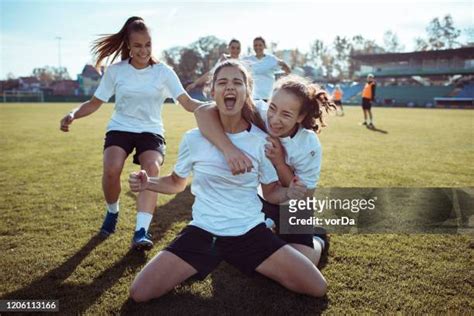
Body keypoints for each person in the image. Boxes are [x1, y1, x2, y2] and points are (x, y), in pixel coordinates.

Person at [128, 60, 327, 302]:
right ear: (213, 92)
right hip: (203, 232)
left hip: (254, 230)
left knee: (316, 286)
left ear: (247, 92)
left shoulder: (269, 141)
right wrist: (148, 182)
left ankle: (314, 238)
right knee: (140, 293)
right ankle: (251, 239)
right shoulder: (195, 138)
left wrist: (289, 192)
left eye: (237, 82)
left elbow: (278, 192)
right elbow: (176, 182)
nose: (229, 87)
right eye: (222, 82)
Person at [59, 16, 204, 251]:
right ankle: (112, 211)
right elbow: (95, 103)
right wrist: (73, 114)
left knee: (152, 170)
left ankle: (141, 231)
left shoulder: (164, 72)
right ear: (128, 45)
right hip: (120, 127)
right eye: (138, 45)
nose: (144, 50)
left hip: (151, 131)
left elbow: (187, 102)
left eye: (148, 44)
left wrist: (210, 108)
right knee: (112, 168)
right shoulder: (116, 71)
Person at [195, 75, 336, 266]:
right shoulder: (259, 112)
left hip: (294, 205)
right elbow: (203, 112)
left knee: (302, 263)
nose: (274, 119)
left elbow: (303, 195)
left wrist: (279, 163)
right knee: (239, 246)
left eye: (286, 115)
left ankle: (317, 237)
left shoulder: (308, 144)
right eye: (273, 108)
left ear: (300, 117)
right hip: (262, 198)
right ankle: (271, 227)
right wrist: (229, 150)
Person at [242, 37, 291, 102]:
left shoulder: (271, 59)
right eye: (255, 45)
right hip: (252, 96)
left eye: (260, 45)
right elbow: (236, 63)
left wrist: (281, 82)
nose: (257, 47)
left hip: (267, 96)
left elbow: (287, 70)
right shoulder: (248, 59)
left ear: (264, 46)